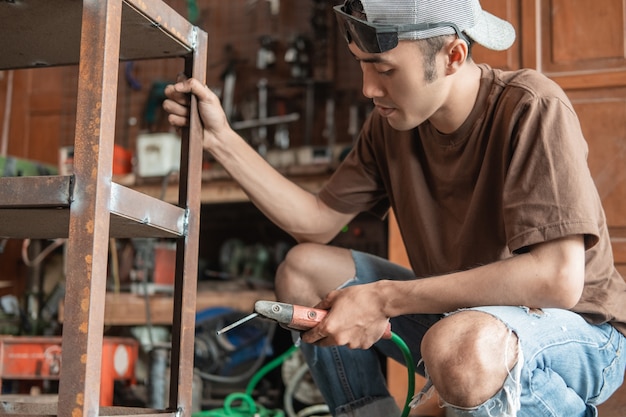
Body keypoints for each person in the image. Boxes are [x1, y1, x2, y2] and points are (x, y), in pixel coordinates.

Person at [163, 0, 626, 415]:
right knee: (305, 270)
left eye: (384, 70)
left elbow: (557, 280)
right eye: (362, 66)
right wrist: (221, 140)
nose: (368, 88)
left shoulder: (531, 105)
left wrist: (383, 297)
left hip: (583, 331)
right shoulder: (390, 128)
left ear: (452, 56)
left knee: (459, 348)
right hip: (462, 322)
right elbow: (316, 223)